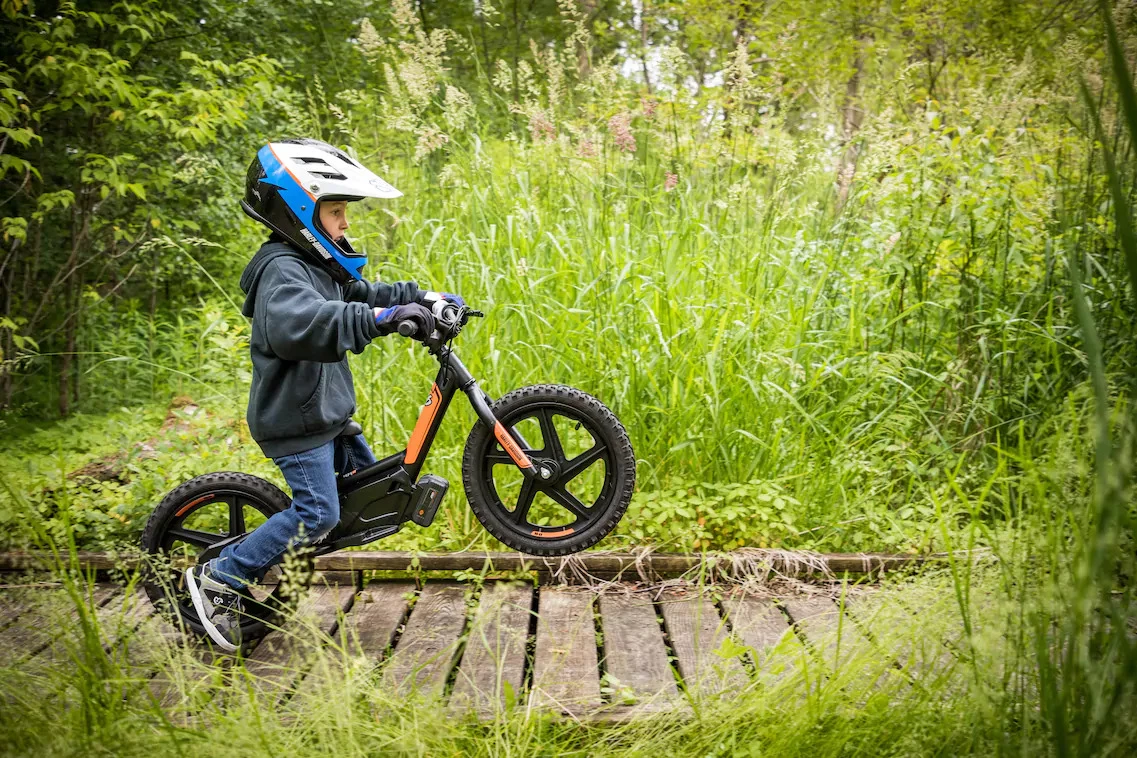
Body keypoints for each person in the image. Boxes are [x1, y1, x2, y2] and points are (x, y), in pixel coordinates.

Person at [185, 138, 463, 651]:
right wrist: (381, 321)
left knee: (365, 494)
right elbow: (303, 324)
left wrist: (419, 297)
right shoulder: (281, 271)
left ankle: (298, 544)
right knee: (320, 515)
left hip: (326, 415)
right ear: (298, 210)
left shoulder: (317, 267)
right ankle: (220, 578)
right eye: (335, 211)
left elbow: (363, 294)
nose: (345, 222)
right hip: (297, 422)